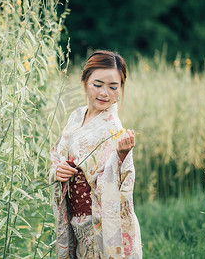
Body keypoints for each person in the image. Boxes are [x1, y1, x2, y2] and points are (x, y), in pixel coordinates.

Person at [49, 50, 142, 258]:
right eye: (98, 85)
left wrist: (121, 156)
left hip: (95, 225)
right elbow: (57, 154)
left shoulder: (113, 128)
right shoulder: (76, 116)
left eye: (113, 87)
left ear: (121, 89)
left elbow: (114, 179)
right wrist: (58, 170)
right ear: (85, 81)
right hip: (73, 220)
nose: (104, 93)